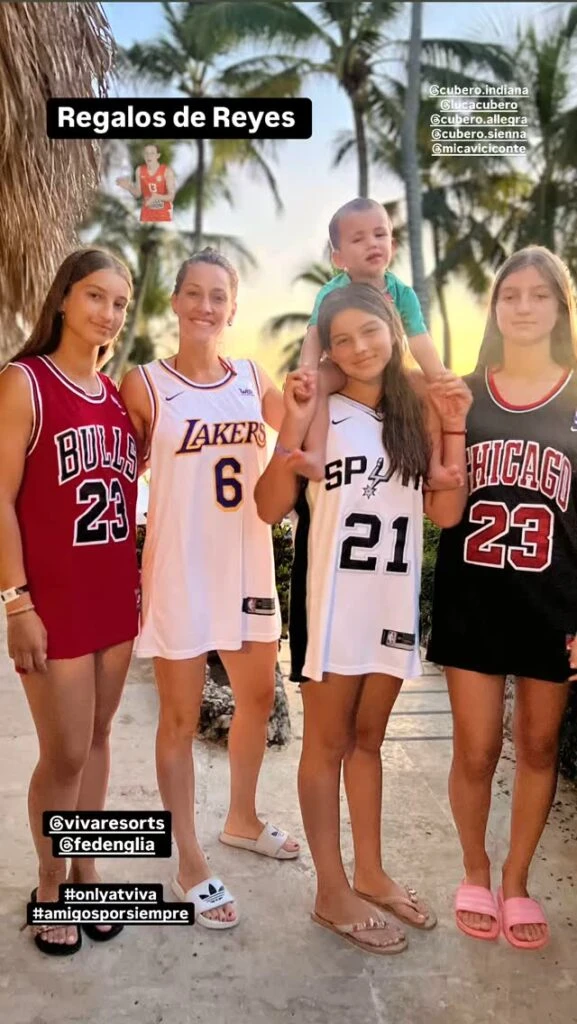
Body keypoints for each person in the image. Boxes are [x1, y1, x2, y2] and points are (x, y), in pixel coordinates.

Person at [255, 283, 471, 954]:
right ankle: (330, 888)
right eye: (339, 339)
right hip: (329, 603)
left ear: (392, 328)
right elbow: (267, 507)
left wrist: (456, 424)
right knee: (325, 744)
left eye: (368, 333)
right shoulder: (319, 406)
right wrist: (291, 423)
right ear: (326, 348)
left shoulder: (418, 412)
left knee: (368, 742)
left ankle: (370, 871)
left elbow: (444, 515)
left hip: (390, 602)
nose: (357, 348)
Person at [120, 247, 299, 931]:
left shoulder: (253, 378)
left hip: (247, 566)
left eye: (217, 295)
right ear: (174, 301)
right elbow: (119, 464)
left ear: (232, 307)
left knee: (256, 697)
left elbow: (305, 433)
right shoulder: (145, 385)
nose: (204, 306)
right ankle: (187, 857)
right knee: (178, 717)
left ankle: (242, 819)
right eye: (192, 293)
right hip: (179, 572)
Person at [427, 245, 577, 951]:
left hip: (555, 604)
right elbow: (443, 516)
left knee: (539, 743)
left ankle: (516, 882)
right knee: (476, 748)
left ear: (559, 307)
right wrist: (451, 428)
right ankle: (475, 868)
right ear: (493, 308)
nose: (521, 307)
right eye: (508, 295)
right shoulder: (462, 393)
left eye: (537, 296)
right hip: (473, 601)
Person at [0, 248, 139, 955]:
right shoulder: (24, 382)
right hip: (53, 602)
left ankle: (87, 871)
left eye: (119, 302)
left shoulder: (115, 395)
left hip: (116, 596)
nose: (108, 312)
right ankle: (49, 885)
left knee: (97, 740)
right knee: (61, 755)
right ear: (62, 300)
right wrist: (16, 601)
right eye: (94, 296)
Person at [296, 197, 455, 488]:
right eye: (358, 239)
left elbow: (420, 341)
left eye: (380, 235)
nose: (372, 243)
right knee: (317, 382)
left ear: (392, 246)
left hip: (391, 370)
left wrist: (440, 378)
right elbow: (315, 334)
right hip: (344, 368)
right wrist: (306, 370)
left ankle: (433, 468)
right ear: (339, 258)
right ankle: (316, 454)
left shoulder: (402, 293)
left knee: (431, 394)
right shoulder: (332, 292)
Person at [116, 143, 176, 223]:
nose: (149, 156)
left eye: (152, 153)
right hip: (146, 216)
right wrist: (129, 187)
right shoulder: (140, 170)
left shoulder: (167, 171)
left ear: (158, 156)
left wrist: (157, 197)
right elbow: (138, 194)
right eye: (146, 153)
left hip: (163, 217)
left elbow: (171, 196)